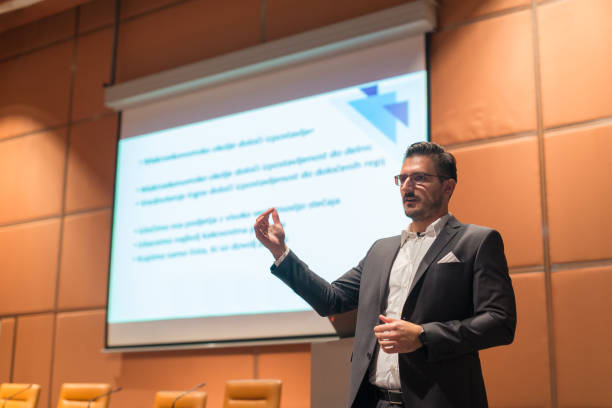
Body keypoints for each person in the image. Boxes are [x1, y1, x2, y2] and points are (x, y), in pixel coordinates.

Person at [254, 141, 516, 407]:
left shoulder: (476, 242)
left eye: (419, 178)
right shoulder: (381, 250)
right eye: (402, 178)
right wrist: (281, 252)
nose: (407, 186)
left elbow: (499, 322)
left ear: (448, 187)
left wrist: (423, 335)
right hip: (374, 401)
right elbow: (331, 300)